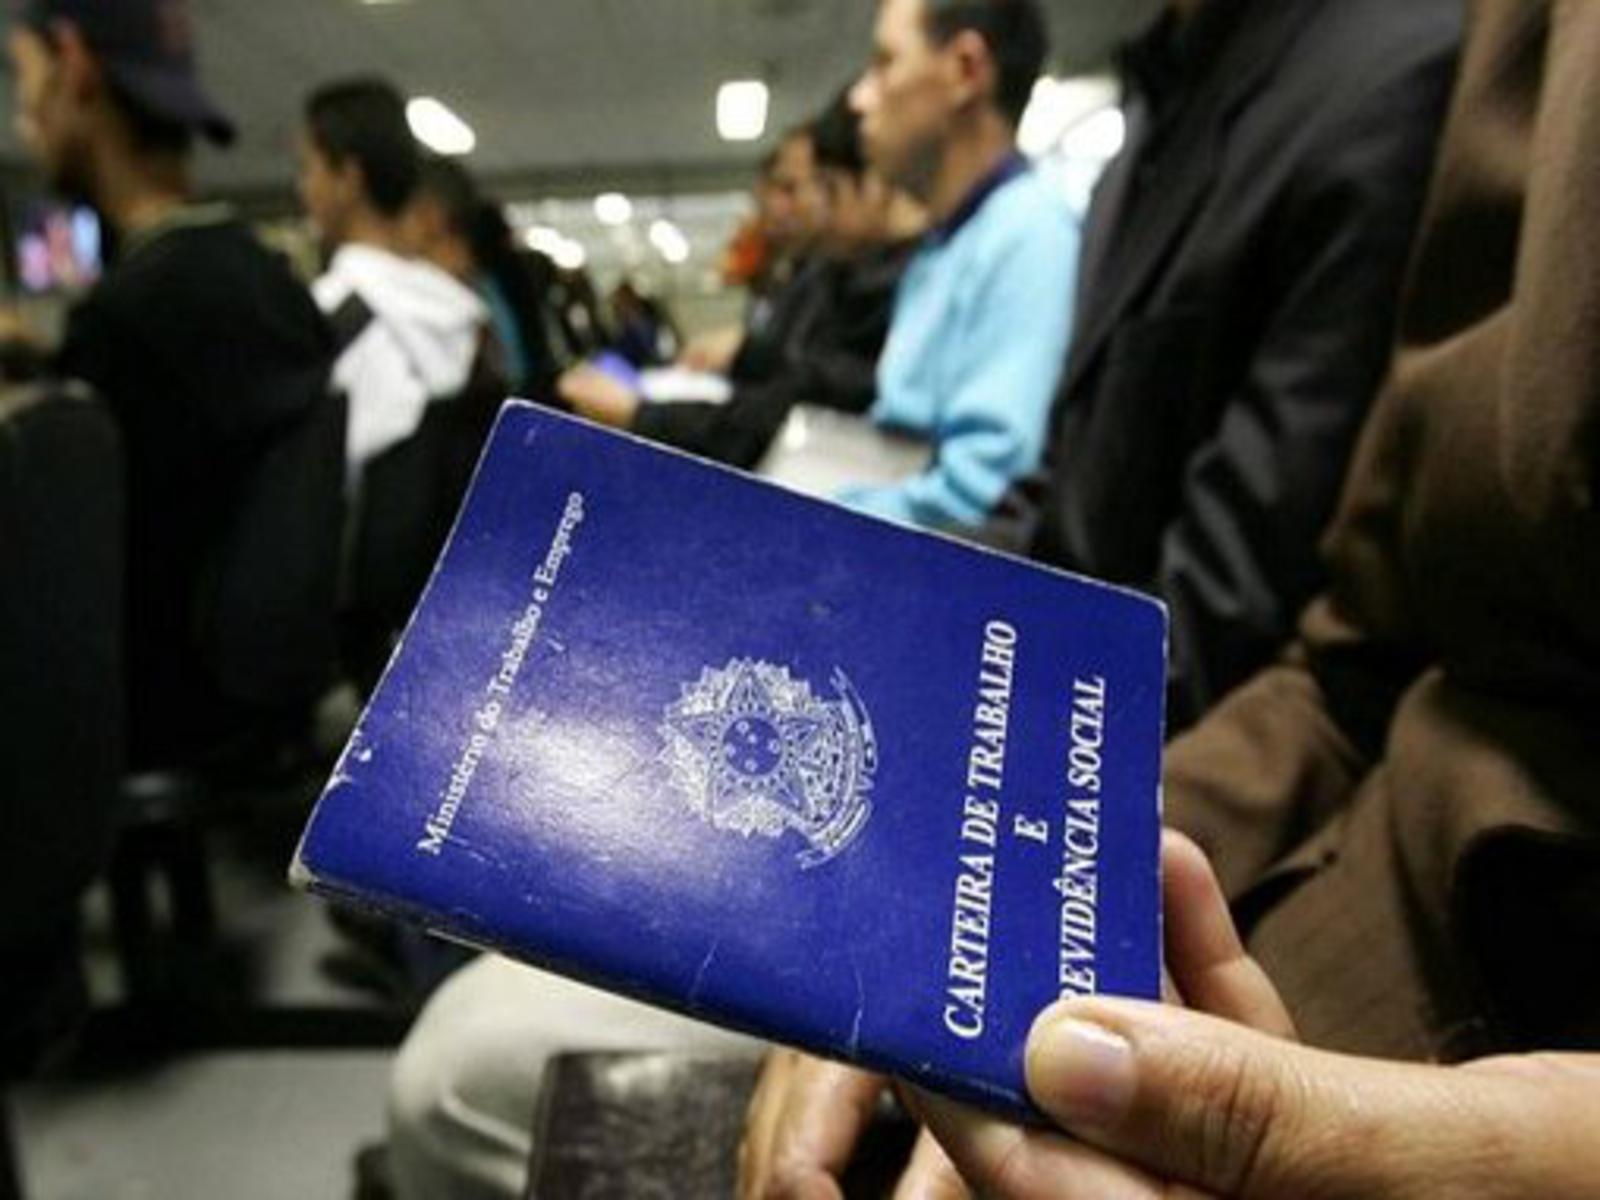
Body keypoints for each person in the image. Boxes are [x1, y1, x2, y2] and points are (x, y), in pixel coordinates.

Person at [739, 0, 1600, 1190]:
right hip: (1268, 856)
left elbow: (1217, 603)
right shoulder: (1157, 119)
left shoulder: (1388, 61)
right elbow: (1351, 654)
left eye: (884, 62)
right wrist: (980, 864)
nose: (857, 96)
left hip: (1474, 1016)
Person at [990, 0, 1460, 731]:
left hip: (1143, 731)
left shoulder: (1387, 75)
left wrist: (994, 729)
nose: (862, 97)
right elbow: (1061, 493)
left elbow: (1225, 616)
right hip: (1068, 669)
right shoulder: (1154, 101)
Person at [10, 0, 340, 770]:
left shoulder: (126, 319)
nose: (25, 121)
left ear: (75, 70)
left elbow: (66, 561)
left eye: (24, 80)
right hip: (256, 700)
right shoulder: (269, 283)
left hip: (154, 718)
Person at [564, 91, 926, 470]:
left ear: (878, 182)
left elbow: (803, 398)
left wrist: (646, 416)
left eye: (822, 187)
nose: (804, 206)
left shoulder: (896, 282)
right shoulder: (835, 276)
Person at [835, 0, 1076, 532]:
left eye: (885, 62)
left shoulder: (1032, 236)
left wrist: (810, 518)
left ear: (965, 71)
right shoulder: (945, 243)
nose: (859, 97)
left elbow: (982, 499)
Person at [298, 77, 487, 485]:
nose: (303, 187)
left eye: (309, 168)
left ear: (348, 178)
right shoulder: (457, 315)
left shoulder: (323, 318)